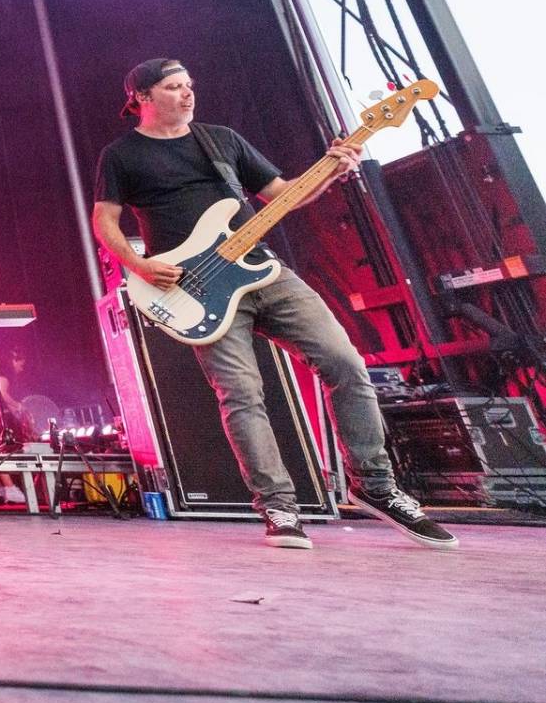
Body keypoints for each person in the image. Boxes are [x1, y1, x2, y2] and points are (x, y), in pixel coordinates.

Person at [92, 58, 456, 551]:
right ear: (141, 97)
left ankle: (376, 485)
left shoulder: (220, 139)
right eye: (174, 87)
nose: (187, 93)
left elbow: (282, 196)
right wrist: (138, 266)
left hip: (264, 270)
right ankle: (279, 507)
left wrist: (332, 168)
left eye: (189, 85)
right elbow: (105, 223)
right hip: (194, 289)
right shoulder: (122, 155)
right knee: (241, 394)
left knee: (346, 364)